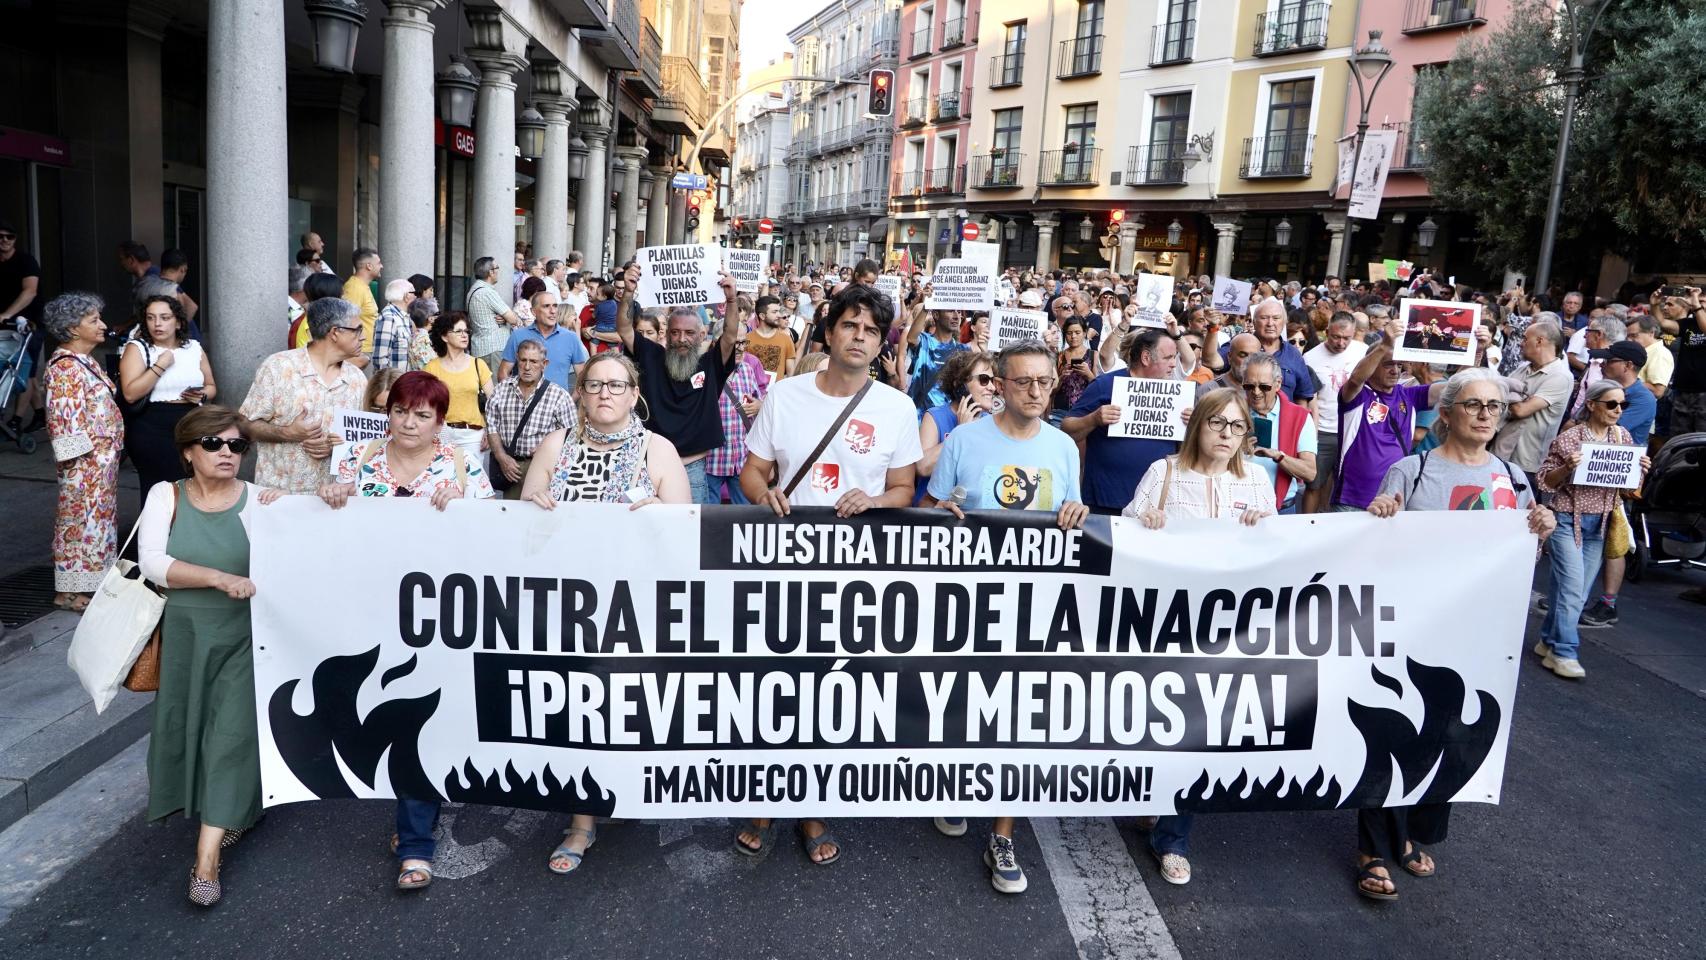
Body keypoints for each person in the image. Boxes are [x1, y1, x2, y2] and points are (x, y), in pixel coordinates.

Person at [737, 282, 923, 867]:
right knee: (776, 684)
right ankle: (765, 799)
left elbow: (904, 489)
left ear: (881, 341)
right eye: (850, 325)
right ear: (829, 330)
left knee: (829, 689)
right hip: (783, 564)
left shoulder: (896, 406)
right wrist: (766, 496)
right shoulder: (785, 396)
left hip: (854, 574)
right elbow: (752, 472)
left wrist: (873, 501)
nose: (860, 337)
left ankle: (813, 805)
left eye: (872, 329)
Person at [1359, 368, 1556, 901]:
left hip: (1473, 634)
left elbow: (1518, 562)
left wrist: (1539, 528)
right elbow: (1373, 544)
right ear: (1446, 414)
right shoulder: (1411, 471)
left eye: (1494, 406)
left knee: (1449, 732)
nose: (1486, 414)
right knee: (1393, 726)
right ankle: (1374, 847)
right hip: (1408, 625)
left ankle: (1408, 836)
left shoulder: (1514, 481)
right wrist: (1379, 515)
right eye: (1473, 405)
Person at [921, 340, 1087, 895]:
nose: (1037, 392)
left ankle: (1003, 833)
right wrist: (940, 512)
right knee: (966, 706)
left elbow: (1075, 516)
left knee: (1022, 719)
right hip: (967, 604)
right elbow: (928, 510)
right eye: (1023, 382)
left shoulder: (1064, 447)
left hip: (1036, 607)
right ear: (1000, 386)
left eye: (1045, 382)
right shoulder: (963, 441)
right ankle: (956, 786)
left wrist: (1076, 513)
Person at [316, 372, 493, 892]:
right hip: (366, 612)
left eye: (422, 415)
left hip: (433, 614)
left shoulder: (461, 464)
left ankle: (416, 842)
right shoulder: (357, 458)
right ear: (386, 412)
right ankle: (416, 810)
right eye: (400, 411)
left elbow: (493, 537)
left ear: (440, 421)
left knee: (418, 716)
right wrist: (330, 493)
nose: (409, 423)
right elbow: (321, 524)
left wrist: (464, 503)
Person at [518, 352, 691, 870]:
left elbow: (685, 532)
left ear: (635, 394)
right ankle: (581, 822)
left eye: (617, 386)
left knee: (628, 708)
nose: (605, 394)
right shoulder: (556, 444)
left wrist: (662, 517)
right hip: (565, 607)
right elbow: (519, 524)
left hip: (633, 609)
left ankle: (632, 790)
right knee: (576, 711)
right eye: (595, 385)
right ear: (580, 394)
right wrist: (536, 506)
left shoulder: (658, 451)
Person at [1121, 387, 1274, 886]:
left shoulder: (1256, 480)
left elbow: (1279, 554)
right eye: (1218, 424)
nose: (1227, 435)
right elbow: (1124, 529)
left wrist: (1262, 527)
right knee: (1154, 721)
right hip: (1165, 625)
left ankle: (1173, 837)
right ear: (1198, 425)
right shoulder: (1164, 473)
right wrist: (1145, 522)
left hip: (1228, 632)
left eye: (1237, 427)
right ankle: (1150, 797)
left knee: (1199, 731)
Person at [136, 405, 282, 907]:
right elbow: (152, 562)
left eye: (237, 446)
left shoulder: (264, 500)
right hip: (185, 635)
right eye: (214, 445)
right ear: (188, 452)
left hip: (246, 635)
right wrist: (219, 578)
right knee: (188, 727)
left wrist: (324, 499)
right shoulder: (166, 496)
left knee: (230, 736)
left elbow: (314, 539)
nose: (227, 454)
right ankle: (234, 810)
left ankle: (206, 859)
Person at [1534, 379, 1649, 679]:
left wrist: (1640, 471)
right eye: (1611, 404)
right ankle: (1564, 651)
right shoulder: (1570, 439)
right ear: (1592, 405)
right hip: (1565, 519)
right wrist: (1567, 468)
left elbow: (1627, 488)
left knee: (1576, 590)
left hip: (1600, 522)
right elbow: (1545, 480)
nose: (1618, 410)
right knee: (1572, 589)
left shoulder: (1622, 437)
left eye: (1622, 404)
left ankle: (1548, 640)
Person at [613, 264, 742, 505]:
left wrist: (732, 300)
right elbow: (623, 328)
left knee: (689, 533)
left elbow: (731, 335)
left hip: (691, 466)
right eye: (675, 332)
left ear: (702, 335)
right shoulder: (651, 355)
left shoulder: (711, 364)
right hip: (649, 461)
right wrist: (628, 293)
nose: (681, 339)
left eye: (689, 333)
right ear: (666, 333)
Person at [43, 293, 123, 611]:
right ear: (74, 329)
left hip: (99, 465)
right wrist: (81, 471)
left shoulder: (85, 361)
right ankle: (68, 593)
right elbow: (64, 422)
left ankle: (91, 584)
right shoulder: (65, 367)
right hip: (84, 467)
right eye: (94, 320)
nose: (102, 325)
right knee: (77, 523)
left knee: (96, 525)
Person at [239, 297, 368, 493]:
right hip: (280, 498)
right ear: (335, 332)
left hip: (336, 501)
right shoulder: (279, 367)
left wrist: (338, 448)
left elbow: (365, 441)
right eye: (357, 329)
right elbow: (244, 425)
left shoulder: (357, 379)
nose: (363, 336)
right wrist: (287, 433)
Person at [1063, 328, 1189, 516]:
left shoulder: (1178, 394)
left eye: (1175, 357)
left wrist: (1193, 425)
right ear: (1146, 358)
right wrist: (1094, 419)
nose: (1174, 365)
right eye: (1169, 358)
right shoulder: (1104, 385)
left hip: (1155, 504)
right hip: (1106, 501)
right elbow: (1067, 429)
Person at [1579, 340, 1657, 627]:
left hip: (1617, 476)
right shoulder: (1616, 391)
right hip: (1595, 469)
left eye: (1610, 360)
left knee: (1613, 537)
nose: (1604, 364)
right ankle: (1577, 595)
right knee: (1585, 535)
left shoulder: (1642, 398)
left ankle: (1608, 603)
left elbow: (1606, 425)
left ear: (1627, 366)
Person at [119, 295, 215, 497]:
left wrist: (201, 396)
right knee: (158, 491)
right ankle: (155, 529)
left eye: (164, 317)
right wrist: (161, 365)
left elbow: (211, 385)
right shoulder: (137, 348)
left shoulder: (193, 348)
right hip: (152, 426)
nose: (157, 324)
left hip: (190, 424)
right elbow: (130, 393)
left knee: (191, 487)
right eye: (151, 317)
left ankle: (185, 529)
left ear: (178, 321)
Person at [485, 339, 574, 500]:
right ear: (517, 360)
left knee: (542, 515)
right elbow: (492, 427)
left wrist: (546, 448)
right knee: (512, 516)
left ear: (544, 364)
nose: (527, 367)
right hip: (511, 466)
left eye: (533, 361)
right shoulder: (500, 391)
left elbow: (572, 435)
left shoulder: (558, 396)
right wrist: (501, 456)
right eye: (523, 360)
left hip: (544, 466)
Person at [1302, 313, 1369, 513]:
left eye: (1346, 338)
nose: (1340, 343)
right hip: (1322, 431)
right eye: (1335, 337)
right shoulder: (1310, 357)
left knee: (1342, 486)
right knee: (1314, 484)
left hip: (1354, 430)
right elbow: (1307, 399)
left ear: (1354, 334)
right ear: (1326, 333)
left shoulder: (1363, 351)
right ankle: (1306, 527)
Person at [1491, 319, 1573, 481]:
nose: (1521, 343)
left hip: (1526, 465)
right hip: (1499, 456)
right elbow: (1497, 393)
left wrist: (1506, 392)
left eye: (1525, 338)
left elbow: (1520, 410)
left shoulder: (1560, 376)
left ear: (1539, 341)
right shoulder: (1523, 367)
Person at [1241, 352, 1317, 513]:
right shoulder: (1232, 411)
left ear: (1278, 384)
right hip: (1239, 506)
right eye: (1249, 386)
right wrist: (1238, 452)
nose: (1256, 392)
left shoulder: (1300, 417)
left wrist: (1279, 456)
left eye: (1264, 386)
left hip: (1283, 509)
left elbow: (1310, 473)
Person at [917, 351, 997, 492]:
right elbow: (923, 468)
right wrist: (960, 432)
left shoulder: (992, 422)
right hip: (935, 508)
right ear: (960, 385)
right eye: (984, 379)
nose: (992, 387)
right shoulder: (935, 417)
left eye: (993, 380)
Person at [705, 327, 768, 504]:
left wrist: (760, 405)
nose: (740, 348)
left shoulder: (748, 369)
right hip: (711, 459)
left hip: (741, 458)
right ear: (717, 343)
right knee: (710, 519)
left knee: (745, 517)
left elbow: (760, 400)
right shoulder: (704, 370)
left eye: (743, 342)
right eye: (734, 343)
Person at [422, 311, 492, 466]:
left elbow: (493, 403)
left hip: (472, 434)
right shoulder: (431, 368)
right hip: (441, 432)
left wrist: (490, 432)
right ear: (444, 336)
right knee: (441, 480)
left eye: (466, 331)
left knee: (471, 484)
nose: (464, 335)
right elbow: (424, 405)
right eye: (458, 331)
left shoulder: (478, 364)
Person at [496, 286, 587, 391]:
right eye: (546, 306)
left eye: (555, 306)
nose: (553, 311)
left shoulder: (571, 338)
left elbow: (582, 376)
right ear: (533, 311)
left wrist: (570, 400)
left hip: (558, 404)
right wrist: (514, 400)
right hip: (525, 404)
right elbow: (503, 372)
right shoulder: (518, 336)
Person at [1229, 297, 1315, 404]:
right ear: (1254, 322)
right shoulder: (1241, 345)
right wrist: (1213, 329)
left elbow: (1302, 396)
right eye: (1264, 318)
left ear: (1283, 323)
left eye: (1276, 318)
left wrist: (1298, 420)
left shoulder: (1294, 354)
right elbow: (1213, 361)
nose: (1270, 323)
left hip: (1284, 419)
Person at [465, 256, 523, 372]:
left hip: (480, 347)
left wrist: (505, 318)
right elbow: (513, 319)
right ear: (491, 272)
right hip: (493, 349)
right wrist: (510, 318)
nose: (498, 271)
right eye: (497, 268)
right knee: (496, 388)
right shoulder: (487, 292)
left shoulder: (474, 290)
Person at [341, 247, 383, 365]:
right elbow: (347, 321)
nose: (382, 266)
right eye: (379, 263)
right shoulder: (354, 288)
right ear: (369, 266)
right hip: (359, 351)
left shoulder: (362, 286)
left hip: (365, 350)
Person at [747, 295, 796, 380]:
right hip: (753, 390)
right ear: (762, 316)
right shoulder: (747, 339)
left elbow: (791, 374)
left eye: (778, 311)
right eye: (774, 312)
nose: (779, 315)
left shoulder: (786, 339)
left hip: (777, 391)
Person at [371, 278, 414, 372]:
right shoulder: (389, 317)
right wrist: (387, 384)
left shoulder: (404, 316)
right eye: (414, 293)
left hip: (404, 382)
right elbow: (380, 359)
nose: (416, 297)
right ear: (407, 296)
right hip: (392, 384)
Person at [1625, 313, 1671, 401]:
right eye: (1628, 336)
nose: (1629, 340)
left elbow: (1658, 391)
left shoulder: (1659, 353)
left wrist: (1625, 381)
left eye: (1634, 335)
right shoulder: (1641, 350)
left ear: (1651, 333)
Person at [407, 297, 438, 371]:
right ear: (431, 319)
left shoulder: (415, 336)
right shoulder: (422, 340)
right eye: (437, 313)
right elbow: (430, 367)